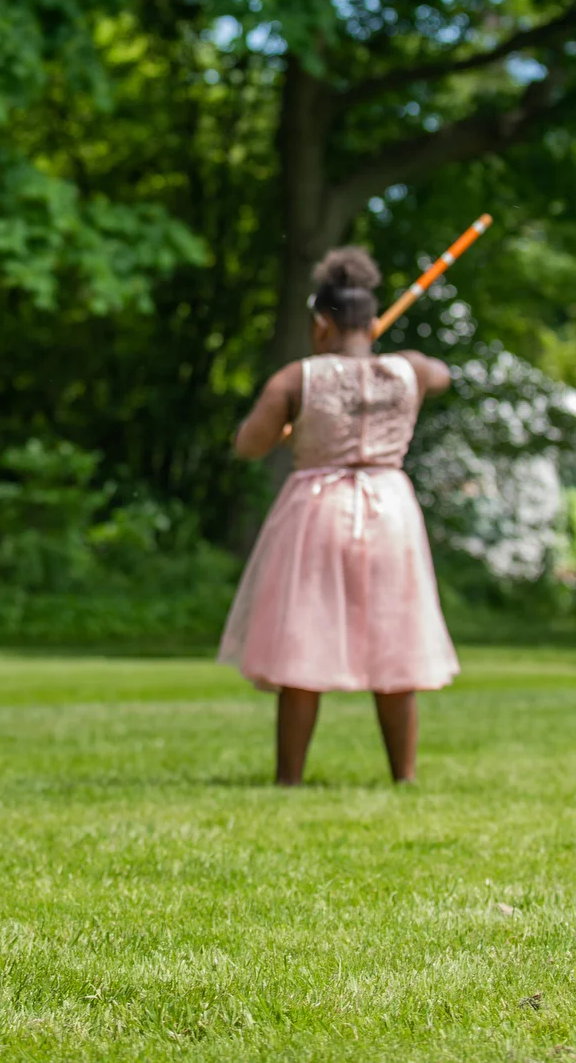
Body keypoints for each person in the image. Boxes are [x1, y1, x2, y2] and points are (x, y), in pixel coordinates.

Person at [219, 246, 457, 786]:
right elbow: (442, 373)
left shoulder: (296, 379)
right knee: (397, 637)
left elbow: (248, 445)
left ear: (321, 324)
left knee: (304, 633)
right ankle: (405, 775)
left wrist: (289, 426)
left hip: (318, 509)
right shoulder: (410, 371)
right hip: (390, 508)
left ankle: (289, 777)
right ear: (372, 323)